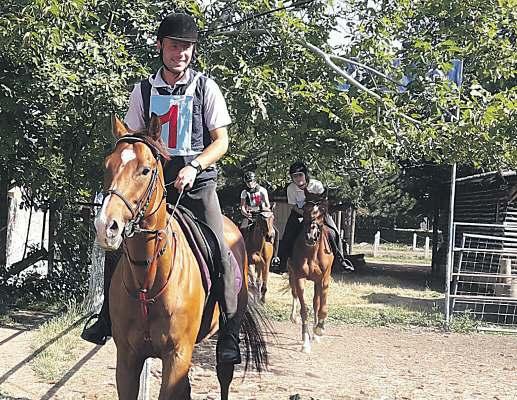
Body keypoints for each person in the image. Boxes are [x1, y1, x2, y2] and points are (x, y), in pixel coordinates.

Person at [81, 12, 241, 365]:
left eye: (186, 47)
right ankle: (106, 316)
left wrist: (194, 166)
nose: (180, 53)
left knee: (221, 249)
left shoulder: (205, 88)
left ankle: (229, 331)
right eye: (174, 46)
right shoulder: (142, 90)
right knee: (117, 244)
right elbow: (130, 141)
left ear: (192, 51)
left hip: (196, 186)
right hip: (149, 189)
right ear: (161, 47)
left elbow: (221, 141)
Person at [276, 161, 355, 273]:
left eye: (300, 175)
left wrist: (316, 213)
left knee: (334, 232)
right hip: (300, 213)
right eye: (295, 176)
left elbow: (324, 202)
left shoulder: (316, 185)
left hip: (319, 213)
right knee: (288, 233)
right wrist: (306, 213)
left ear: (305, 175)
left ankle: (341, 260)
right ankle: (282, 262)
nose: (298, 178)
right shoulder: (291, 189)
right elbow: (293, 206)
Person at [239, 171, 280, 267]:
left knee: (276, 232)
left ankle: (275, 256)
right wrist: (245, 213)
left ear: (255, 180)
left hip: (261, 214)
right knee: (241, 229)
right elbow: (242, 206)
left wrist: (263, 211)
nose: (249, 183)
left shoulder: (262, 190)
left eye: (251, 181)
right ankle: (241, 252)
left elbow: (267, 204)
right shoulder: (244, 192)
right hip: (250, 215)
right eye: (248, 182)